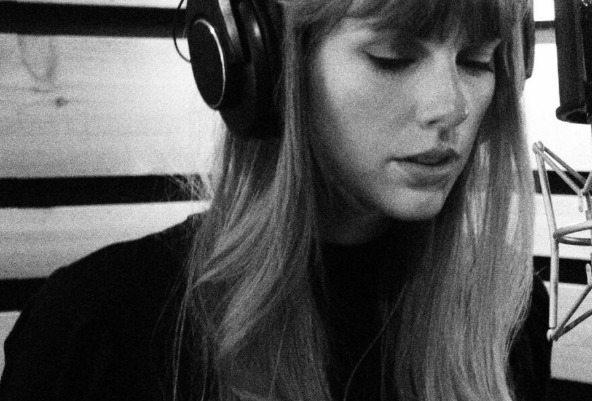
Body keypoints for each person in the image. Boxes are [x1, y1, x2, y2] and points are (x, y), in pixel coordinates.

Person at [0, 0, 551, 400]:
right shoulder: (94, 330)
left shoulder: (507, 315)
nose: (450, 106)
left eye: (477, 61)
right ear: (270, 66)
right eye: (391, 58)